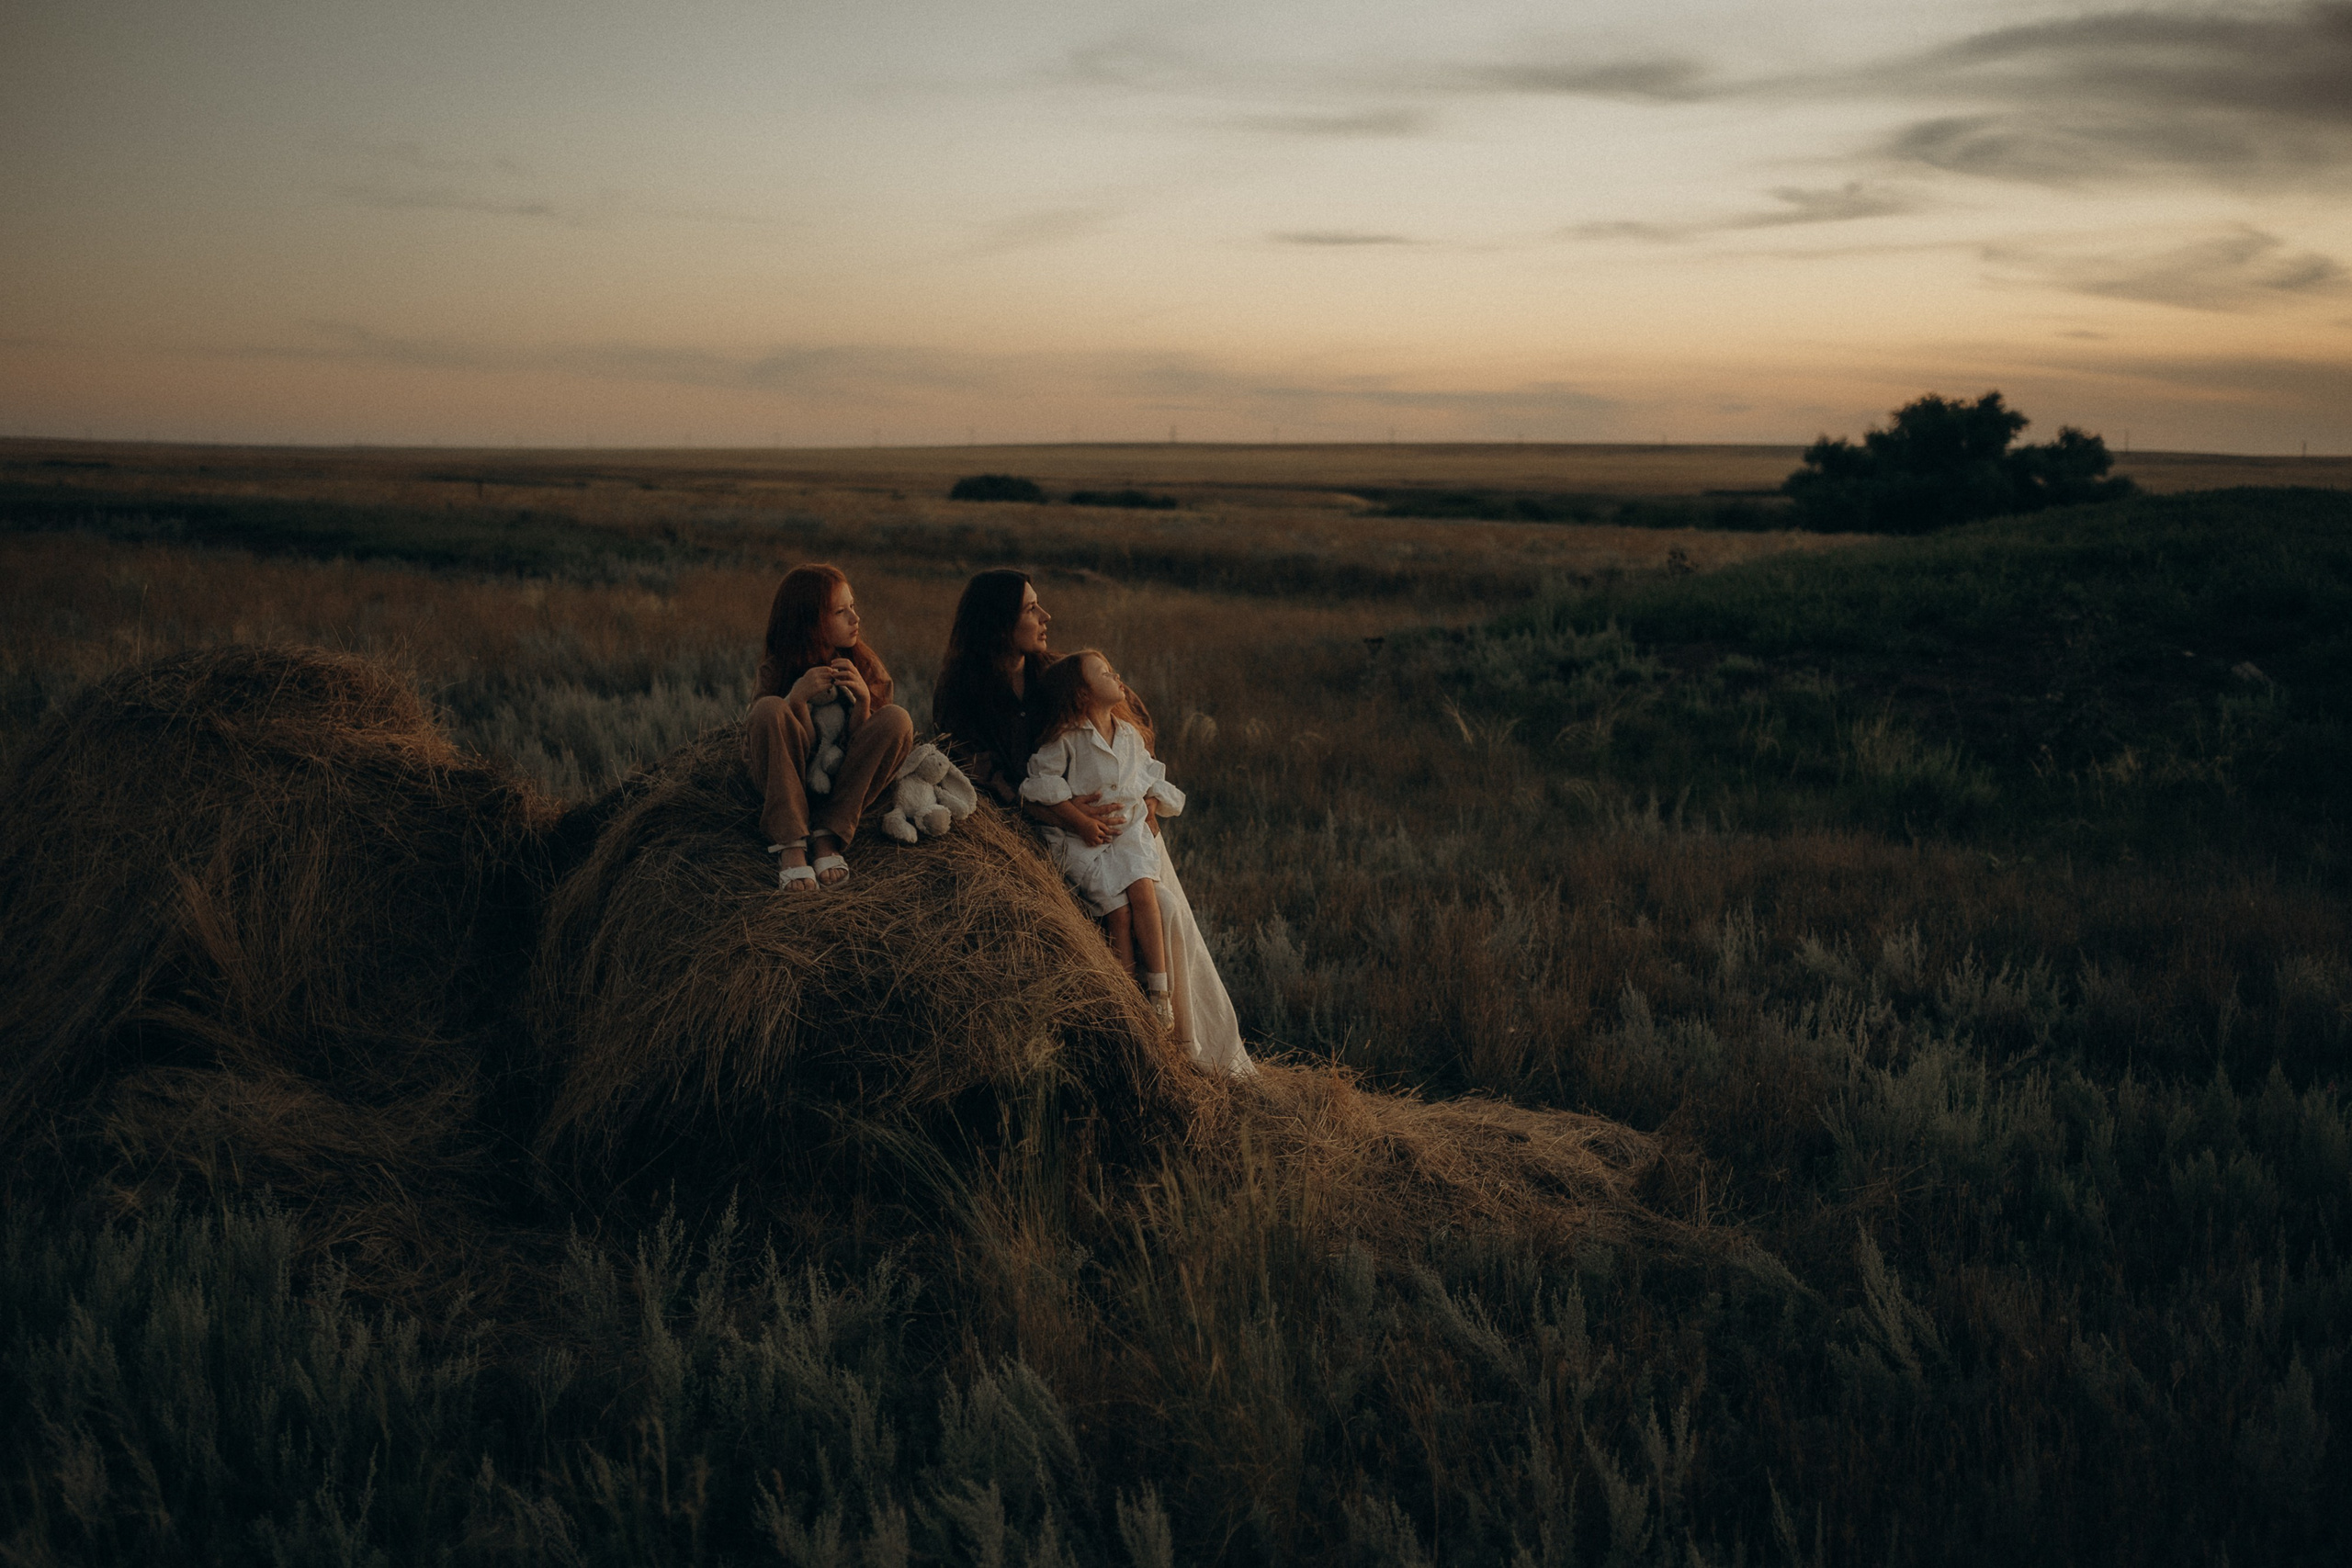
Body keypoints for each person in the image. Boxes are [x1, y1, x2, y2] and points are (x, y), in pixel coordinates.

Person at [1021, 650, 1182, 1025]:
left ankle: (1159, 994)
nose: (1117, 676)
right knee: (1118, 913)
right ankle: (1123, 999)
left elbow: (1150, 774)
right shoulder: (1067, 739)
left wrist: (1152, 806)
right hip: (1083, 841)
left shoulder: (1128, 735)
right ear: (1083, 694)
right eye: (1106, 673)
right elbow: (1041, 785)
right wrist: (1077, 820)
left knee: (1144, 891)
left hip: (1125, 834)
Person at [742, 564, 913, 893]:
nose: (855, 618)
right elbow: (785, 749)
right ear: (810, 621)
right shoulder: (776, 670)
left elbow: (858, 752)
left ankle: (828, 834)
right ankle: (791, 841)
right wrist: (796, 700)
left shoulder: (864, 665)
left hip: (841, 781)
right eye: (840, 611)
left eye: (853, 606)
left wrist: (864, 702)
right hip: (790, 776)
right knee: (768, 709)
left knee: (897, 719)